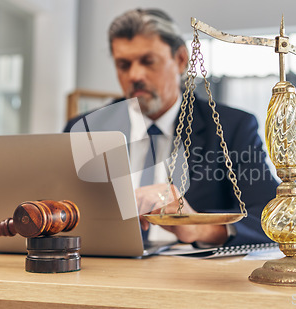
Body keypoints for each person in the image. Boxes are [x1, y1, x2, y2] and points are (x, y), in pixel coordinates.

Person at [64, 8, 279, 247]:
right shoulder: (84, 130)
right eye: (124, 65)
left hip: (191, 275)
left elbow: (273, 219)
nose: (135, 75)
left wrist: (200, 228)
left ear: (180, 60)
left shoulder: (231, 127)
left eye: (148, 61)